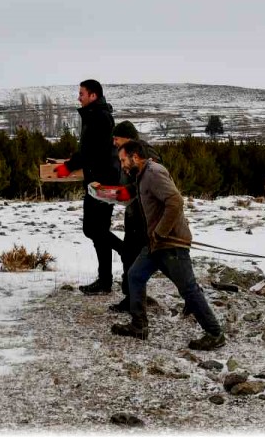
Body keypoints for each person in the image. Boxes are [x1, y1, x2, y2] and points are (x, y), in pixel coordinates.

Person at [111, 140, 225, 351]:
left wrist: (161, 232)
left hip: (171, 243)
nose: (122, 165)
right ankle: (139, 326)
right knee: (135, 275)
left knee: (188, 289)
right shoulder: (142, 175)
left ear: (135, 157)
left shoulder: (153, 172)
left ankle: (215, 333)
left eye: (123, 160)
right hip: (155, 243)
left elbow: (175, 201)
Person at [54, 80, 122, 294]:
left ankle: (126, 252)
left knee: (94, 230)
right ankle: (105, 281)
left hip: (104, 183)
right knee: (96, 231)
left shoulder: (100, 117)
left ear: (93, 95)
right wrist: (73, 162)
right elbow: (89, 150)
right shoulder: (94, 115)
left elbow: (92, 152)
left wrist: (70, 166)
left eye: (81, 93)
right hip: (97, 180)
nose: (78, 97)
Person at [107, 121, 161, 313]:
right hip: (132, 214)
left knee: (151, 260)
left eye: (116, 138)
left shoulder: (146, 152)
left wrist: (128, 191)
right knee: (129, 257)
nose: (114, 142)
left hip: (145, 217)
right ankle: (131, 299)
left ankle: (189, 295)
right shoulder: (125, 153)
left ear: (128, 137)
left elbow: (152, 182)